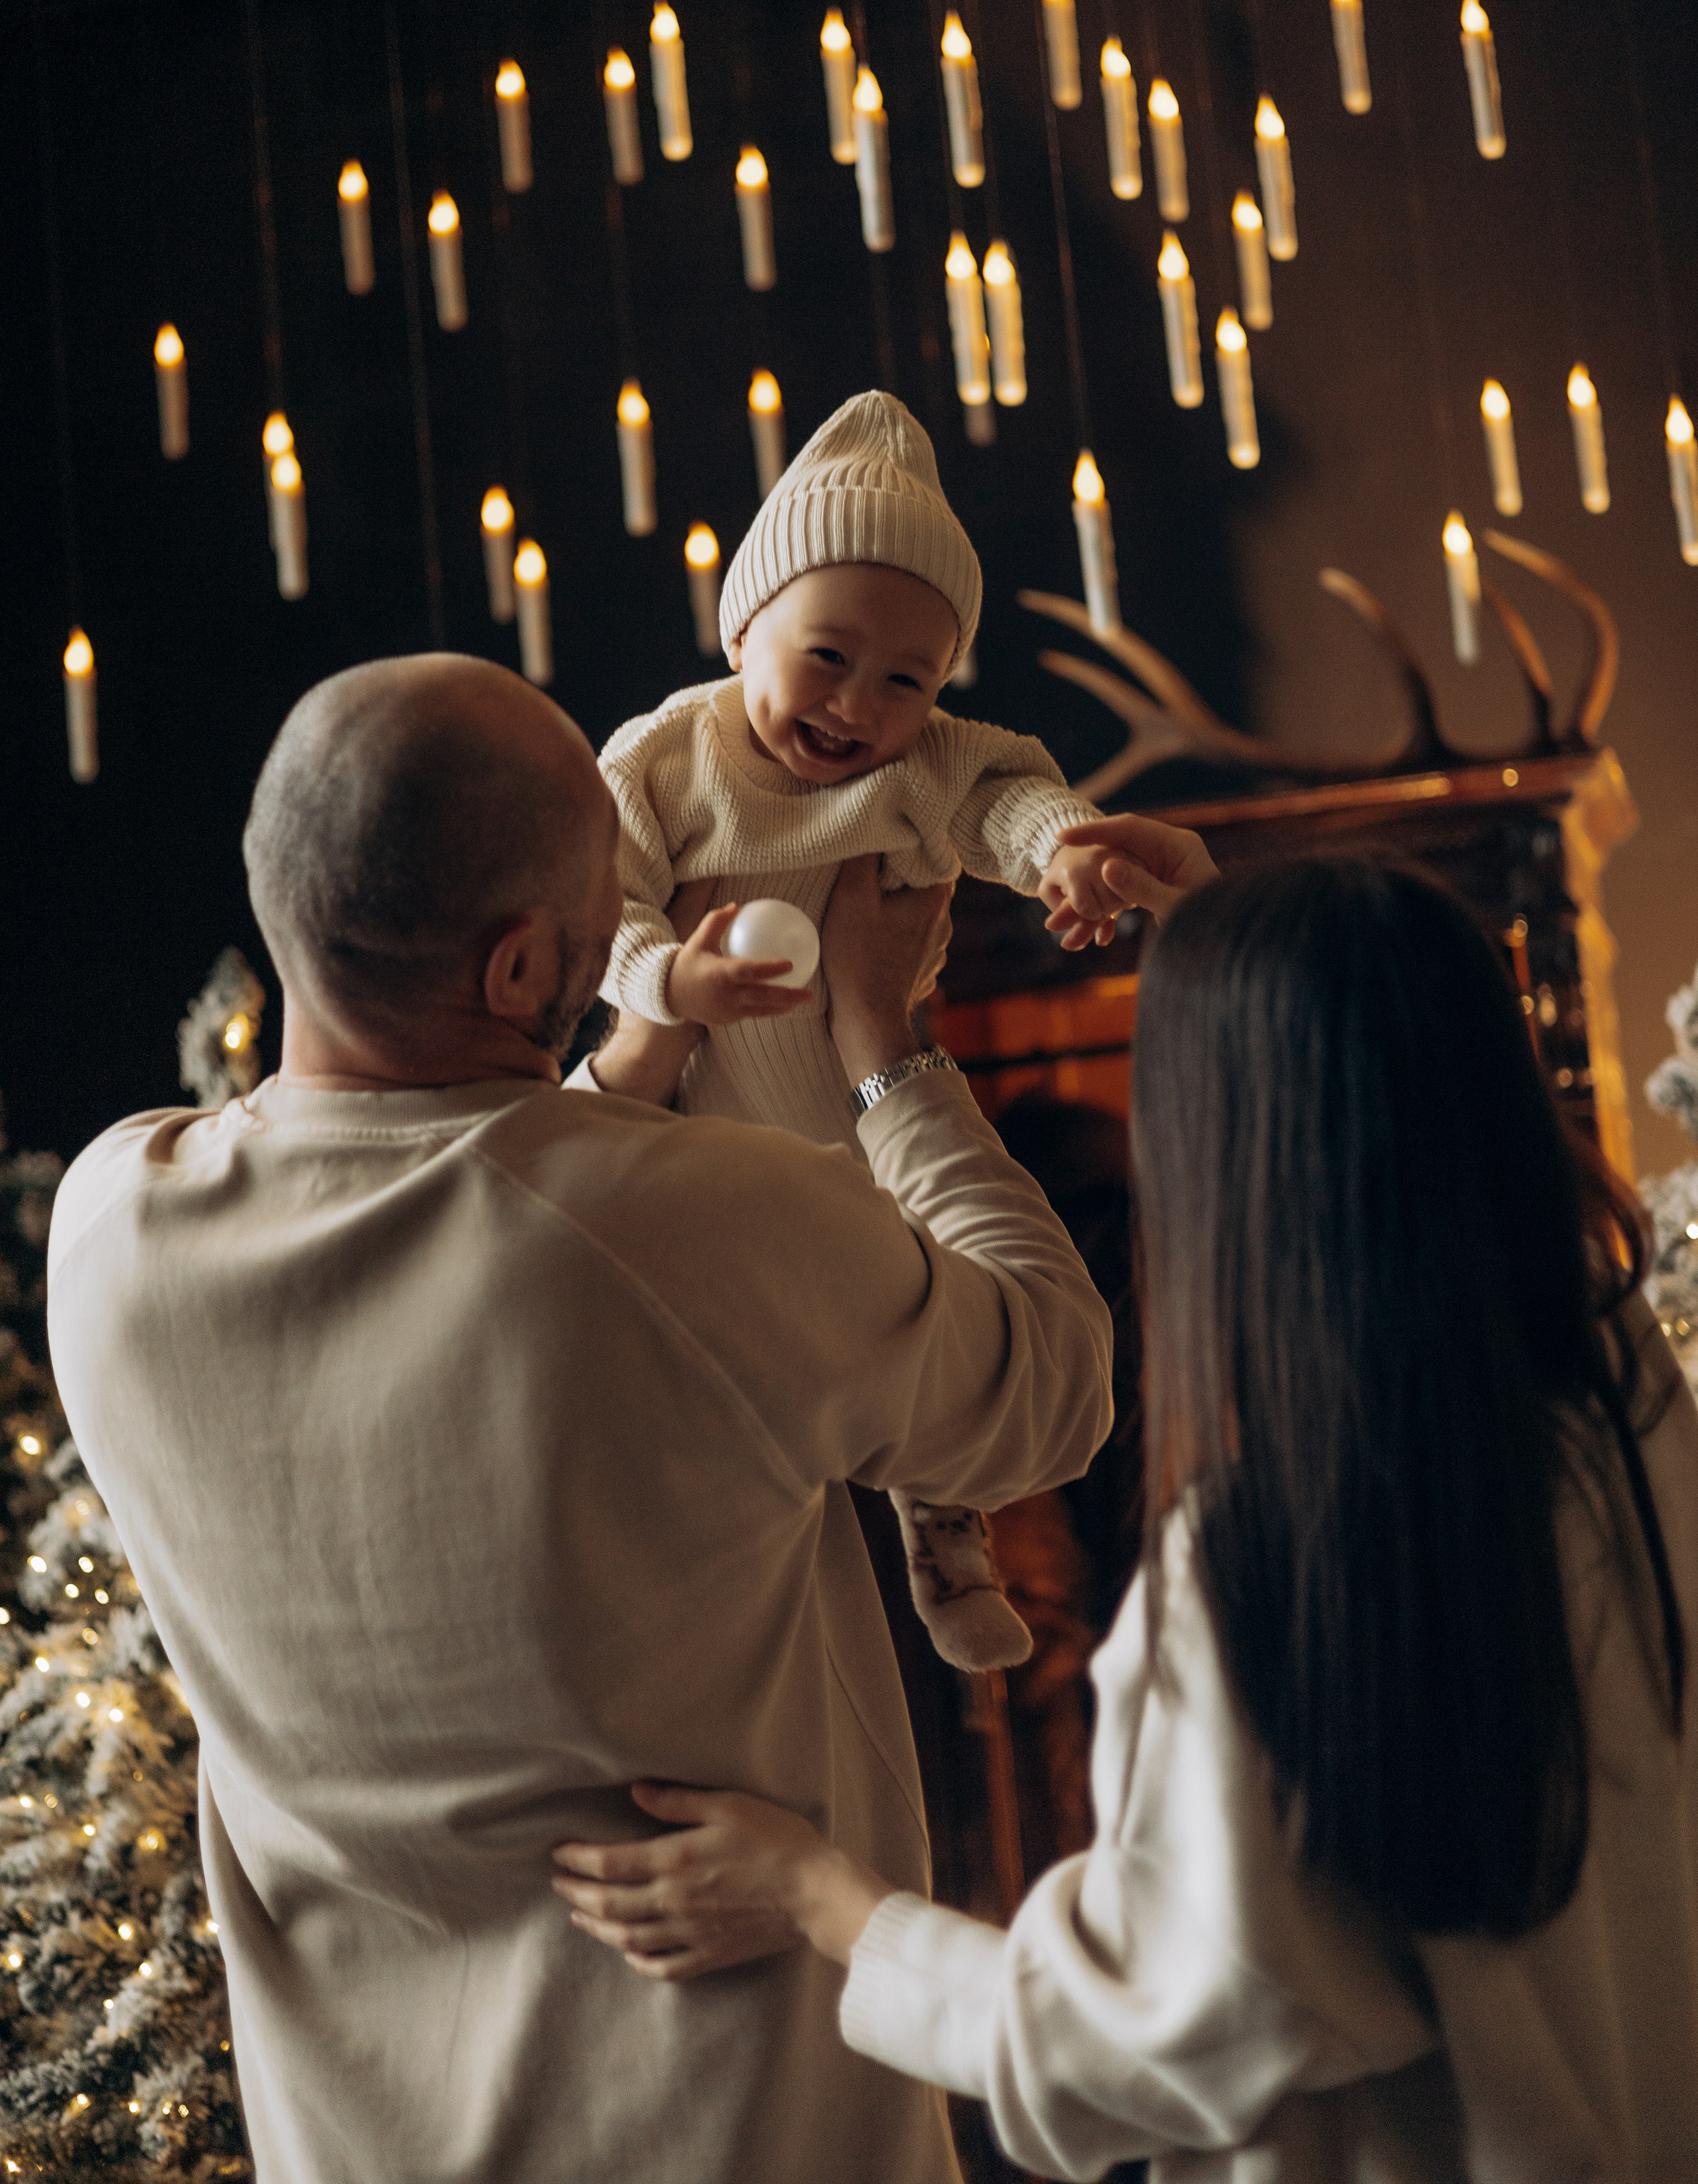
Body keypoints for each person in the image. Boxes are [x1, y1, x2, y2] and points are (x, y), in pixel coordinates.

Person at [43, 651, 1148, 2184]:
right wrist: (883, 1044)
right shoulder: (702, 1226)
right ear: (515, 975)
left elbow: (502, 1200)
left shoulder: (107, 1230)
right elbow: (1052, 1380)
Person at [557, 857, 1698, 2183]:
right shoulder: (1618, 1413)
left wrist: (820, 1898)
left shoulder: (1268, 1558)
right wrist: (1256, 941)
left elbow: (1131, 2039)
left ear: (1218, 1147)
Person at [598, 387, 1161, 1671]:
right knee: (711, 1323)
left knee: (922, 1305)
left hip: (865, 1129)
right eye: (827, 657)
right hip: (705, 1118)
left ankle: (943, 1540)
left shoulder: (920, 764)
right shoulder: (665, 762)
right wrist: (664, 984)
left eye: (906, 678)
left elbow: (1008, 795)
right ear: (744, 627)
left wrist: (1063, 852)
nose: (857, 705)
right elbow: (602, 898)